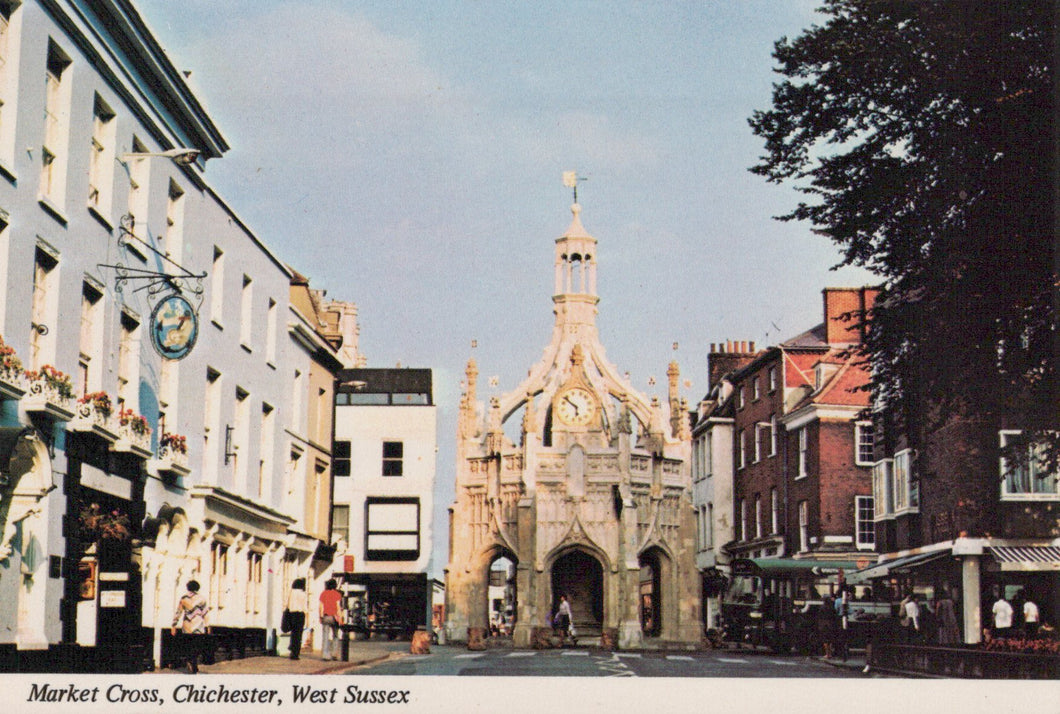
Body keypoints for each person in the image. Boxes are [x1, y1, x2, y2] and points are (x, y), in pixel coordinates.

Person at [171, 580, 210, 674]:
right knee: (198, 646)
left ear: (188, 587)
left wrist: (174, 625)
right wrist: (207, 626)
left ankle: (191, 662)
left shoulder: (183, 598)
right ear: (198, 587)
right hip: (198, 626)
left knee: (189, 646)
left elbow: (178, 612)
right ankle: (193, 664)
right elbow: (205, 613)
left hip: (187, 626)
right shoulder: (202, 599)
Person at [319, 578, 344, 661]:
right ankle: (334, 654)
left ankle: (325, 655)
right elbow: (338, 607)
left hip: (326, 616)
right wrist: (340, 618)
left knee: (325, 636)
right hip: (334, 617)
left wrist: (321, 616)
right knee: (336, 635)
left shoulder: (323, 593)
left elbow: (321, 606)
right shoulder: (337, 594)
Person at [285, 578, 308, 660]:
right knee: (298, 634)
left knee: (293, 633)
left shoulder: (291, 593)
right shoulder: (303, 594)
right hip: (300, 615)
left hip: (292, 614)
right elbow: (305, 607)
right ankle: (296, 653)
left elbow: (287, 604)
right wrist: (307, 620)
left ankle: (292, 650)